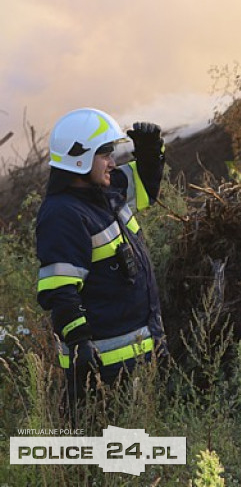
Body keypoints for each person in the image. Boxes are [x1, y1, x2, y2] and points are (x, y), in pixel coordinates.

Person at [35, 107, 166, 418]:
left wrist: (150, 154)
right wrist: (80, 344)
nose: (112, 162)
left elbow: (145, 188)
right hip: (104, 372)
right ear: (79, 158)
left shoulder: (103, 193)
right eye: (104, 154)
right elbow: (60, 288)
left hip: (139, 356)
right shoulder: (63, 215)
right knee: (104, 459)